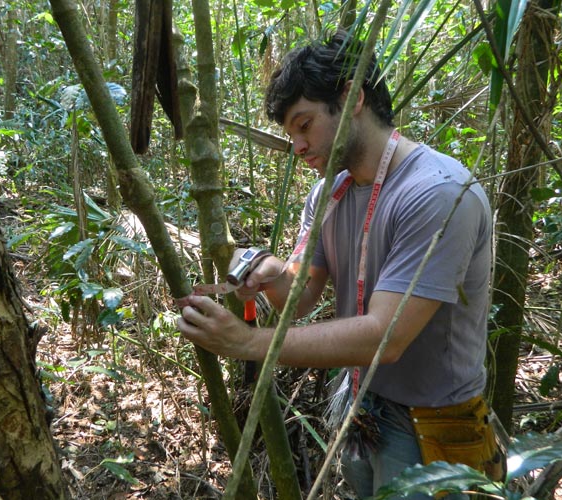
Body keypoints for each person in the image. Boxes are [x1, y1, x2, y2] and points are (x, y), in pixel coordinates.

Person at [177, 29, 500, 498]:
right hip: (361, 407)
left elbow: (384, 337)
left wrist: (248, 342)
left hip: (433, 423)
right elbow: (301, 293)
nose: (298, 147)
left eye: (304, 125)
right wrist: (269, 277)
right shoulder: (329, 190)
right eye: (291, 134)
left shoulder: (437, 192)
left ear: (351, 99)